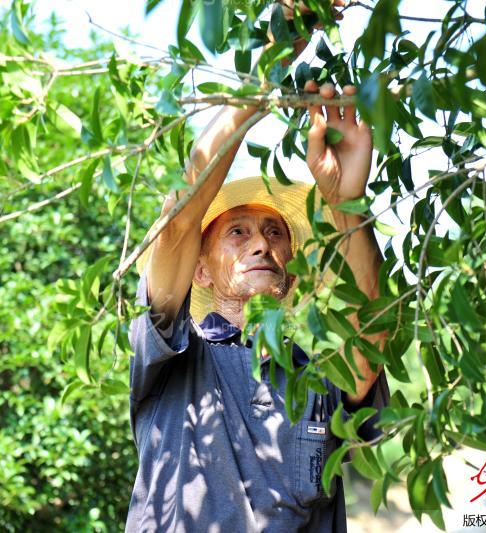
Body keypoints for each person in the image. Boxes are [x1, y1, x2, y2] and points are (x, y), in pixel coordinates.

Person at [126, 4, 389, 531]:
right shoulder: (174, 354)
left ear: (291, 270)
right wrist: (267, 67)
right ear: (200, 272)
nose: (260, 245)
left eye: (275, 234)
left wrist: (347, 199)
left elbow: (373, 337)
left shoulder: (317, 371)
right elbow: (178, 224)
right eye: (237, 233)